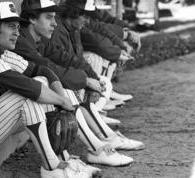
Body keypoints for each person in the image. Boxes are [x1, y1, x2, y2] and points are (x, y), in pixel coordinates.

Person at [0, 2, 95, 177]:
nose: (16, 32)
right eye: (10, 27)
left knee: (43, 83)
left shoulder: (1, 51)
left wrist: (62, 99)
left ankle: (63, 160)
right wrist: (61, 102)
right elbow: (28, 87)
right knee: (27, 95)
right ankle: (52, 167)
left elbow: (43, 71)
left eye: (17, 26)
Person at [15, 0, 144, 166]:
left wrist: (91, 79)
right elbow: (50, 69)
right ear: (32, 19)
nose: (54, 22)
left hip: (23, 111)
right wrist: (85, 80)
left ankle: (102, 141)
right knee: (57, 86)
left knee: (69, 86)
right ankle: (92, 149)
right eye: (49, 17)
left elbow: (65, 59)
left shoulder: (37, 38)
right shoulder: (22, 41)